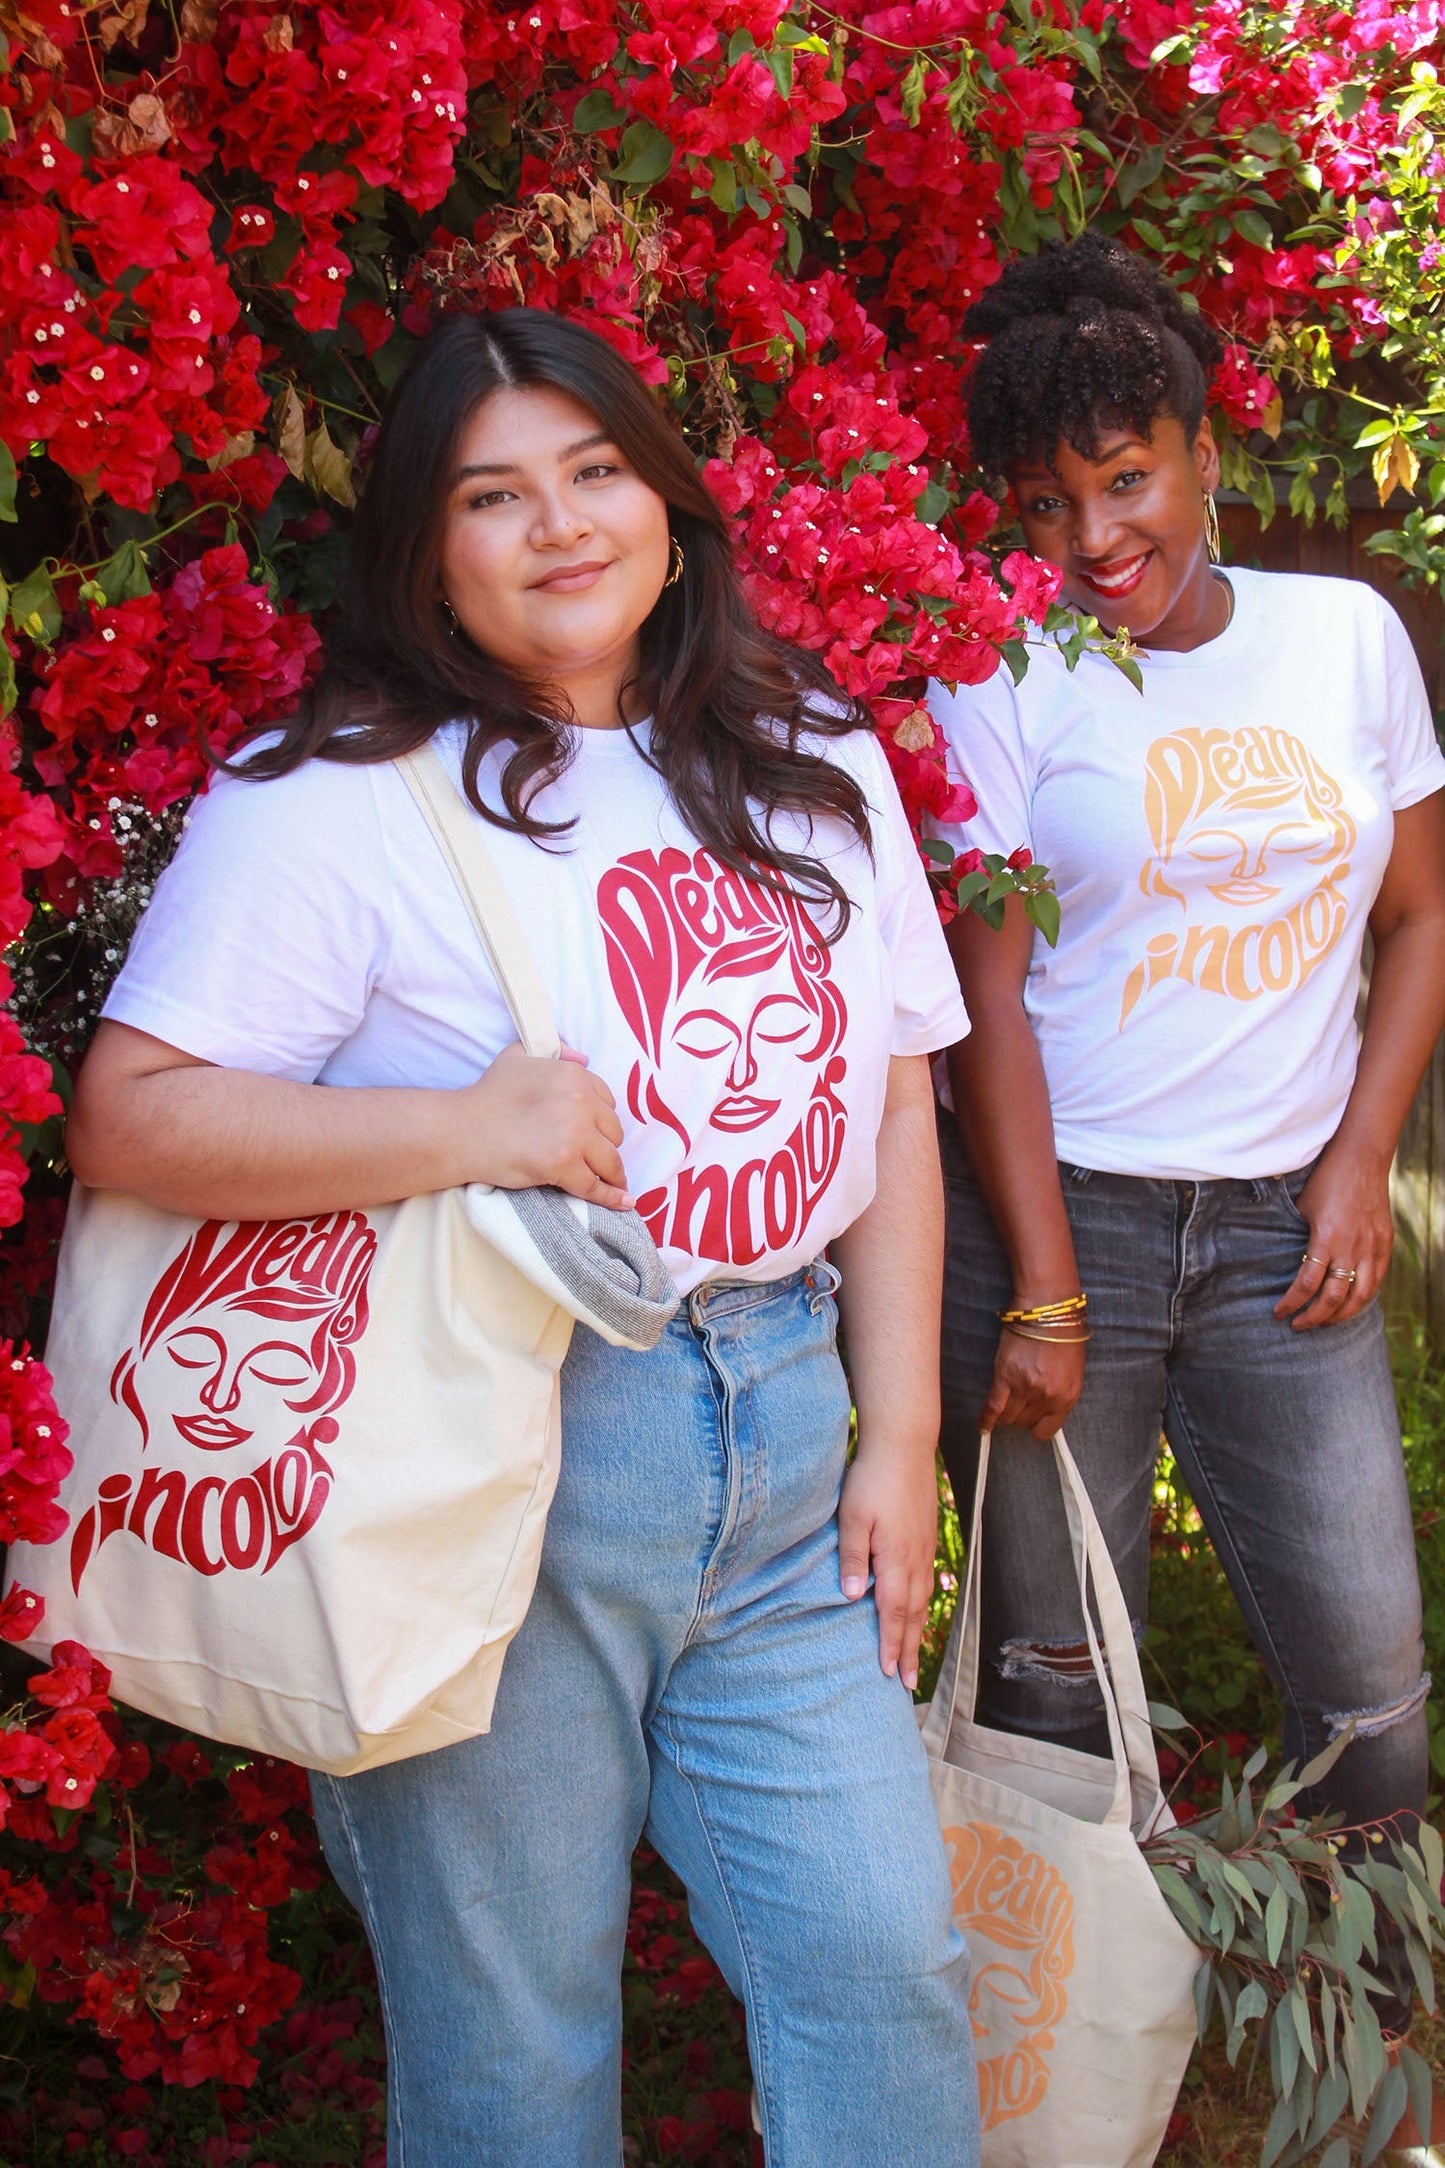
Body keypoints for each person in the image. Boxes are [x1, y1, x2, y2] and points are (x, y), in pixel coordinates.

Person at [65, 307, 981, 2167]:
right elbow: (132, 1117)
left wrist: (897, 1434)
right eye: (493, 496)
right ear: (424, 550)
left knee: (883, 1958)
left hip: (787, 1427)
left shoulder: (804, 747)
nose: (560, 525)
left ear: (667, 503)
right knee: (515, 2045)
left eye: (595, 471)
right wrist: (469, 1129)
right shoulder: (332, 797)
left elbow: (893, 1097)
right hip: (493, 1454)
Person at [926, 234, 1445, 2144]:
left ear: (1204, 453)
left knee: (1369, 1699)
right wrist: (1045, 1285)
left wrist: (1358, 1157)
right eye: (1043, 504)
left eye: (1126, 479)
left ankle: (1371, 2097)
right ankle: (1080, 2107)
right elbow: (984, 997)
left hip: (1282, 1233)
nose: (1092, 537)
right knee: (1057, 1699)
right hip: (1059, 1214)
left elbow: (1419, 912)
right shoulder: (995, 669)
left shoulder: (1345, 638)